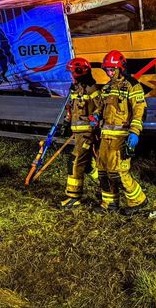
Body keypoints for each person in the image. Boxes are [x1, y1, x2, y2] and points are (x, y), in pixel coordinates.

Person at [95, 50, 148, 215]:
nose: (110, 73)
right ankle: (110, 203)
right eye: (107, 70)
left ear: (120, 68)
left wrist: (135, 133)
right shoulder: (106, 88)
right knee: (103, 171)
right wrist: (95, 116)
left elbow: (140, 110)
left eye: (112, 69)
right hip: (106, 137)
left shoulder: (132, 85)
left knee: (118, 171)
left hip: (122, 137)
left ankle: (138, 201)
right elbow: (101, 108)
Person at [59, 57, 102, 210]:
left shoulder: (92, 88)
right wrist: (66, 121)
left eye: (72, 73)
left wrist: (94, 119)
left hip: (87, 134)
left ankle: (74, 198)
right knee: (90, 166)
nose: (70, 76)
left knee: (75, 162)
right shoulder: (74, 89)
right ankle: (106, 188)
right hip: (77, 133)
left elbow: (101, 108)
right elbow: (72, 109)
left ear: (80, 73)